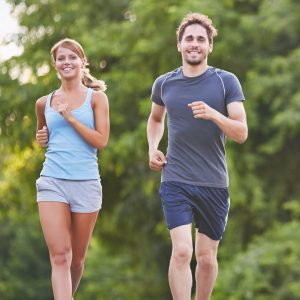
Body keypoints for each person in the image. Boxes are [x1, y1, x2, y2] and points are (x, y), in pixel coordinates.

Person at [147, 13, 247, 300]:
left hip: (214, 183)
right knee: (181, 250)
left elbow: (241, 132)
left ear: (210, 46)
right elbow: (155, 119)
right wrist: (153, 147)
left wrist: (215, 114)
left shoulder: (226, 82)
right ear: (179, 45)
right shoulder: (164, 84)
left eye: (200, 39)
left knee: (205, 258)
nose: (194, 44)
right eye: (188, 39)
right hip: (176, 179)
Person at [35, 38, 109, 300]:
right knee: (60, 255)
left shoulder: (96, 99)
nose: (67, 62)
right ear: (55, 64)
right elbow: (43, 134)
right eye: (61, 58)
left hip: (86, 183)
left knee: (76, 261)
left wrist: (70, 118)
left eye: (72, 57)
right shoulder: (44, 102)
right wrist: (41, 138)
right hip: (52, 180)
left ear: (82, 61)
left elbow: (101, 141)